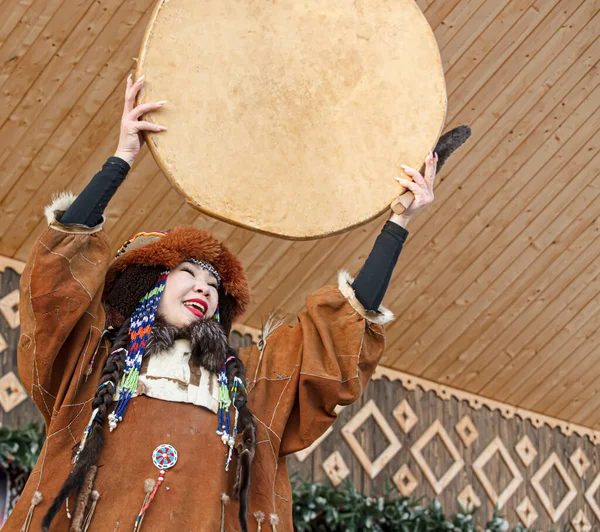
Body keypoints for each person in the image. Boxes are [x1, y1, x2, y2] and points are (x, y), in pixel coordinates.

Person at [7, 74, 468, 532]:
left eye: (213, 286)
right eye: (186, 274)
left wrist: (399, 224)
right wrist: (121, 158)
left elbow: (332, 346)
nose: (204, 289)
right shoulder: (86, 365)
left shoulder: (253, 387)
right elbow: (53, 291)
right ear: (146, 288)